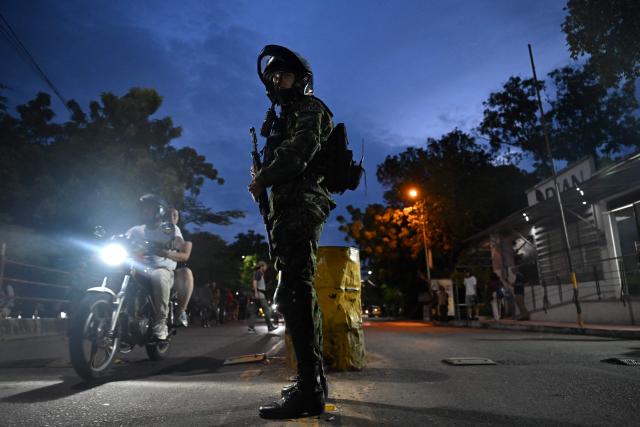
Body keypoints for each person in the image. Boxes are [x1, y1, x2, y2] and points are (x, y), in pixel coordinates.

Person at [249, 45, 334, 419]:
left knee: (294, 295)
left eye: (282, 76)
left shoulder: (311, 110)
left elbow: (298, 155)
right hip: (286, 210)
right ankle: (311, 381)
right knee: (297, 293)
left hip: (301, 207)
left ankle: (309, 390)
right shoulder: (287, 115)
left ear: (300, 80)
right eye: (272, 78)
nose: (276, 82)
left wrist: (261, 180)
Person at [126, 194, 183, 340]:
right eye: (143, 208)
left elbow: (178, 242)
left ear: (160, 211)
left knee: (159, 275)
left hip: (162, 270)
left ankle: (161, 322)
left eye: (148, 208)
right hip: (140, 269)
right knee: (117, 270)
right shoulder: (135, 230)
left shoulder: (168, 228)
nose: (144, 211)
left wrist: (173, 244)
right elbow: (123, 238)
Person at [168, 208, 193, 327]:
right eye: (169, 214)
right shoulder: (147, 226)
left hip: (167, 270)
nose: (172, 217)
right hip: (143, 267)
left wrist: (183, 247)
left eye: (175, 215)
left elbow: (180, 243)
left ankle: (181, 311)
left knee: (186, 273)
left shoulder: (174, 230)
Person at [247, 261, 277, 332]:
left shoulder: (259, 274)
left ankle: (251, 327)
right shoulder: (258, 273)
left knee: (254, 312)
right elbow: (254, 282)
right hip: (260, 295)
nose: (266, 268)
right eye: (265, 266)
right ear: (261, 266)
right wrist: (256, 292)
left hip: (257, 295)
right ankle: (270, 326)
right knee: (267, 310)